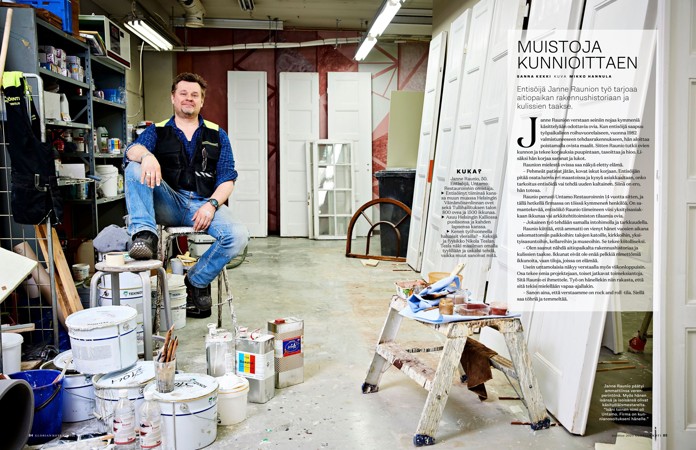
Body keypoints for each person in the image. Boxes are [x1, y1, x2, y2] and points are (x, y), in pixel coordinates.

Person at [123, 72, 249, 318]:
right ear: (173, 97)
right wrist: (147, 155)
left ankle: (197, 280)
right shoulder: (158, 130)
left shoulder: (217, 134)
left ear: (202, 101)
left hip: (203, 205)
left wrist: (212, 204)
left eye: (195, 95)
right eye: (183, 93)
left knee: (237, 236)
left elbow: (227, 178)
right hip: (168, 202)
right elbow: (131, 150)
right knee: (134, 167)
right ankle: (145, 235)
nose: (189, 98)